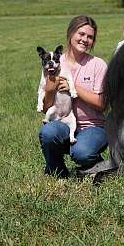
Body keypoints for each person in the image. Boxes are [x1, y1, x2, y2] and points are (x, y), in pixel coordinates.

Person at [38, 15, 108, 178]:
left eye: (90, 37)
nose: (85, 39)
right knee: (48, 132)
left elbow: (102, 104)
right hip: (62, 122)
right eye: (81, 34)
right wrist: (49, 90)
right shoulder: (54, 62)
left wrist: (74, 88)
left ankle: (96, 163)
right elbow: (46, 108)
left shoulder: (98, 65)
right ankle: (57, 171)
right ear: (70, 34)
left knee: (81, 153)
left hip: (92, 126)